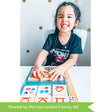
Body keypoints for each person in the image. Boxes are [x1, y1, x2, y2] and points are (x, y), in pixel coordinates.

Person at [31, 1, 82, 81]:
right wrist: (37, 65)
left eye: (69, 17)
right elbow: (43, 52)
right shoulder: (51, 37)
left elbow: (73, 59)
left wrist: (62, 68)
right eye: (60, 16)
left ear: (76, 22)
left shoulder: (77, 40)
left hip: (67, 70)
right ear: (56, 21)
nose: (64, 19)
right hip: (50, 70)